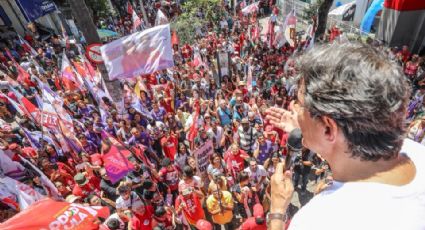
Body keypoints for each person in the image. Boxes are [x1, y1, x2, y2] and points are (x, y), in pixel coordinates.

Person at [266, 43, 425, 230]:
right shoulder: (415, 151)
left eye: (300, 104)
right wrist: (304, 129)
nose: (293, 108)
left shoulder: (318, 220)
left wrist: (277, 211)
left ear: (328, 129)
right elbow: (343, 146)